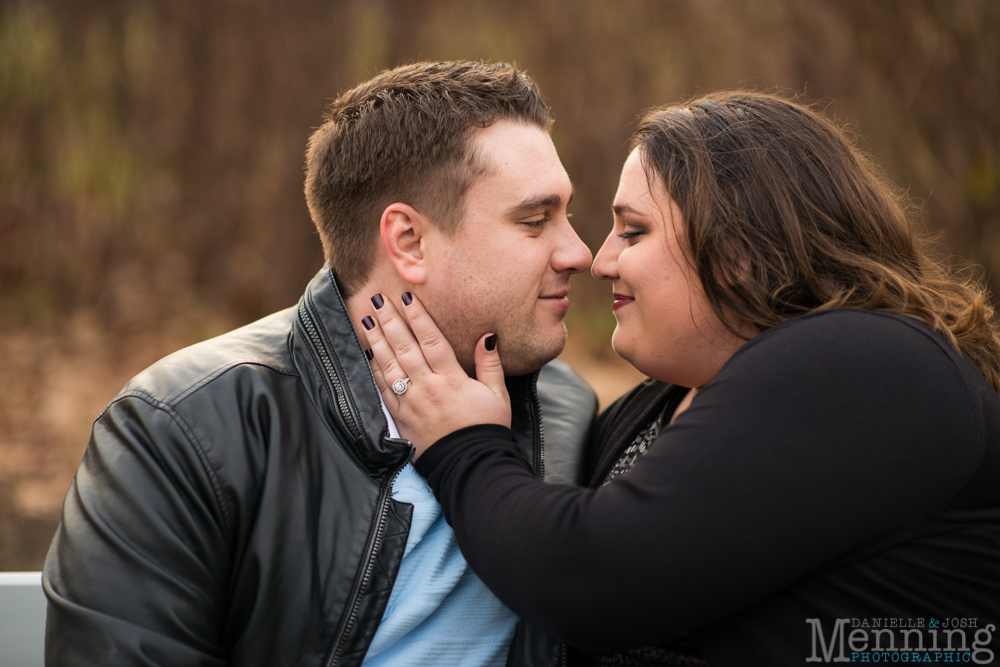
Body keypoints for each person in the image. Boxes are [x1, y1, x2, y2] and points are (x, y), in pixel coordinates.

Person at [360, 91, 1000, 666]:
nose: (598, 258)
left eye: (633, 231)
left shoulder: (870, 363)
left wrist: (463, 447)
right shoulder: (654, 406)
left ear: (738, 254)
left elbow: (598, 578)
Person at [42, 61, 598, 667]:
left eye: (566, 216)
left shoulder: (571, 416)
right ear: (408, 241)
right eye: (535, 220)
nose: (580, 252)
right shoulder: (185, 431)